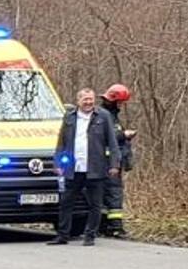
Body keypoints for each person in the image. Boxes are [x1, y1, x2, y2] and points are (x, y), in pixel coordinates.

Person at [50, 88, 122, 246]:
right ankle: (62, 236)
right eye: (85, 100)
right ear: (78, 101)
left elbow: (112, 142)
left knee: (95, 204)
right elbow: (61, 142)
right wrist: (57, 163)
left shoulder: (103, 116)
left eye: (91, 99)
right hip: (73, 168)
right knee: (66, 203)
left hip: (95, 168)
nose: (88, 102)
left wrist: (114, 164)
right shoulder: (69, 117)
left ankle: (90, 235)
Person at [100, 83, 136, 237]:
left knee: (106, 194)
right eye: (120, 102)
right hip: (109, 163)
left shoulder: (109, 115)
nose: (122, 105)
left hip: (111, 161)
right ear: (114, 101)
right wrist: (124, 135)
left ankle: (104, 225)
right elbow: (108, 137)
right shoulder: (105, 115)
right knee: (114, 193)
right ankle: (115, 227)